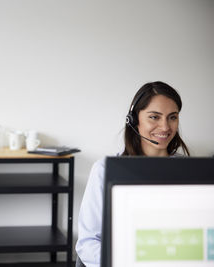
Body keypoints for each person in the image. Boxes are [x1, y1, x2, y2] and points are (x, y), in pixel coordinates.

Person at [75, 81, 190, 267]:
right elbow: (88, 244)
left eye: (172, 117)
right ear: (134, 120)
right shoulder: (104, 170)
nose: (165, 127)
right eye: (154, 117)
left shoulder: (191, 170)